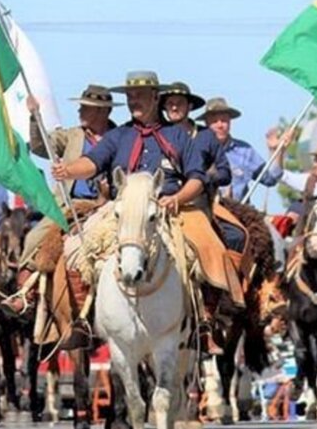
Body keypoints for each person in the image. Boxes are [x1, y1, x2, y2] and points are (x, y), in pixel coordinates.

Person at [54, 70, 244, 349]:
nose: (134, 102)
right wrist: (68, 169)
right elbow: (92, 163)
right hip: (122, 208)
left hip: (170, 207)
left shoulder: (177, 136)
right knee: (74, 247)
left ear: (155, 97)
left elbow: (197, 178)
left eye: (139, 96)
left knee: (209, 247)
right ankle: (83, 321)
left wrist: (178, 198)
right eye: (130, 97)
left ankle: (204, 324)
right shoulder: (118, 135)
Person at [7, 84, 120, 315]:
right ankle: (24, 292)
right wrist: (34, 117)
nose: (79, 112)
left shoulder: (119, 137)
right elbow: (40, 146)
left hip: (108, 205)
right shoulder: (71, 135)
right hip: (71, 204)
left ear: (101, 111)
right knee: (33, 238)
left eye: (85, 108)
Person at [161, 83, 246, 251]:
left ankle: (227, 276)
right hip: (163, 202)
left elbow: (225, 173)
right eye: (170, 103)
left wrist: (204, 180)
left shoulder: (206, 136)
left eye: (179, 103)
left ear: (190, 106)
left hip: (199, 205)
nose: (174, 107)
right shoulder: (158, 134)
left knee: (236, 236)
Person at [201, 97, 281, 202]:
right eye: (215, 121)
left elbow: (271, 179)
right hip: (203, 213)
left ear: (230, 122)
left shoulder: (244, 151)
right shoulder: (196, 151)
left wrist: (276, 151)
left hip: (238, 213)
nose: (220, 125)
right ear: (206, 124)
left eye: (224, 120)